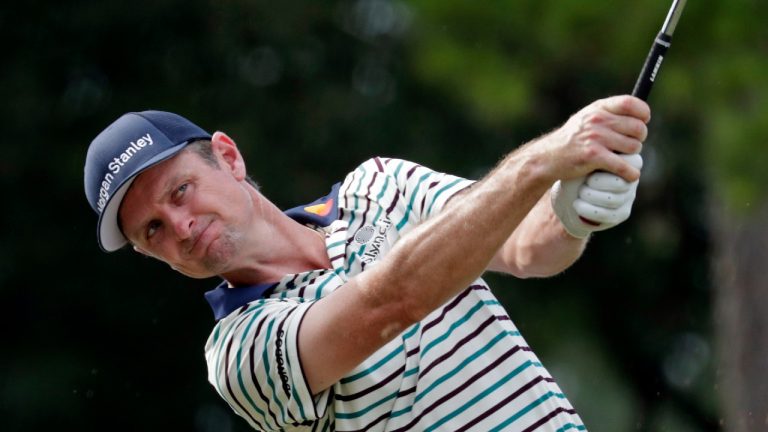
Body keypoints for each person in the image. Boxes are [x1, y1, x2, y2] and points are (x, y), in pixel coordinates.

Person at [84, 95, 649, 431]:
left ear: (228, 158)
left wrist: (570, 215)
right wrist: (539, 166)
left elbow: (526, 247)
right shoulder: (239, 353)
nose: (179, 227)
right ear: (147, 252)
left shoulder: (379, 185)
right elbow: (389, 302)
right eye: (152, 228)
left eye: (180, 191)